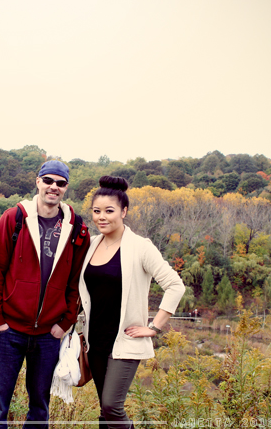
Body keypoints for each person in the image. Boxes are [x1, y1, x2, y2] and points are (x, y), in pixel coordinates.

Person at [0, 160, 90, 429]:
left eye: (60, 183)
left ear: (66, 188)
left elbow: (76, 282)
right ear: (38, 182)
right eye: (48, 181)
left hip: (48, 335)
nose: (54, 187)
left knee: (40, 408)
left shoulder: (77, 228)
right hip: (9, 330)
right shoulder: (14, 218)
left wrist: (65, 323)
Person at [78, 176, 185, 429]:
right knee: (104, 411)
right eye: (96, 211)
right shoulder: (91, 245)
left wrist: (154, 327)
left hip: (124, 340)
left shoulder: (140, 247)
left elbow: (175, 285)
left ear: (124, 212)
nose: (101, 217)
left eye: (109, 211)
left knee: (112, 406)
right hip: (94, 340)